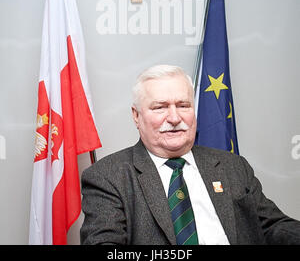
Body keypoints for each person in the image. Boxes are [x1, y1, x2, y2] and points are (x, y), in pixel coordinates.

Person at [80, 64, 300, 245]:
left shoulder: (232, 166)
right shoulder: (108, 176)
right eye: (160, 107)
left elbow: (271, 225)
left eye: (183, 105)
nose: (175, 118)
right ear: (136, 116)